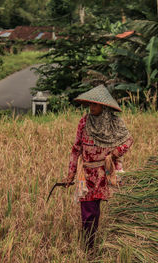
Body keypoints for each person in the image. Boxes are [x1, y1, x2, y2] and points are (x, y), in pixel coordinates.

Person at [63, 84, 133, 250]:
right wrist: (70, 174)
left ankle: (117, 245)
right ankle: (89, 247)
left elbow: (128, 140)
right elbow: (76, 149)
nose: (91, 108)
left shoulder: (115, 122)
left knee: (118, 208)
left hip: (108, 172)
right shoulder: (84, 122)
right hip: (87, 175)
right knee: (88, 214)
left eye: (94, 104)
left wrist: (116, 153)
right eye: (90, 104)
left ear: (104, 106)